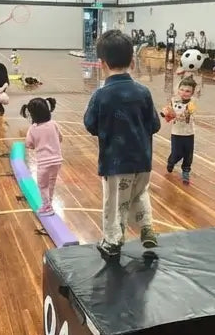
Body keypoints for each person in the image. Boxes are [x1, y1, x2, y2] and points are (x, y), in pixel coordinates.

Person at [83, 30, 161, 258]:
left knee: (114, 202)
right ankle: (146, 227)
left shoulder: (101, 95)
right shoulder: (144, 92)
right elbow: (154, 124)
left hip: (115, 163)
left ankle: (113, 241)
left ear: (102, 64)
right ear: (133, 62)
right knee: (140, 193)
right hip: (143, 160)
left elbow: (90, 124)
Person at [22, 97, 63, 216]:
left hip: (44, 162)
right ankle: (49, 203)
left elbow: (29, 144)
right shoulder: (54, 124)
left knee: (42, 185)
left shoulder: (33, 128)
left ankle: (47, 206)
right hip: (57, 160)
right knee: (51, 183)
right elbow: (60, 138)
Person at [164, 76, 198, 184]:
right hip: (176, 132)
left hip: (188, 133)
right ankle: (171, 161)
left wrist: (175, 115)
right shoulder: (173, 100)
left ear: (192, 93)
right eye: (182, 89)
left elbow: (186, 116)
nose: (184, 93)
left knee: (188, 154)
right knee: (176, 153)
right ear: (178, 89)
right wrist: (166, 113)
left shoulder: (192, 104)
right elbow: (166, 110)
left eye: (188, 91)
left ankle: (186, 171)